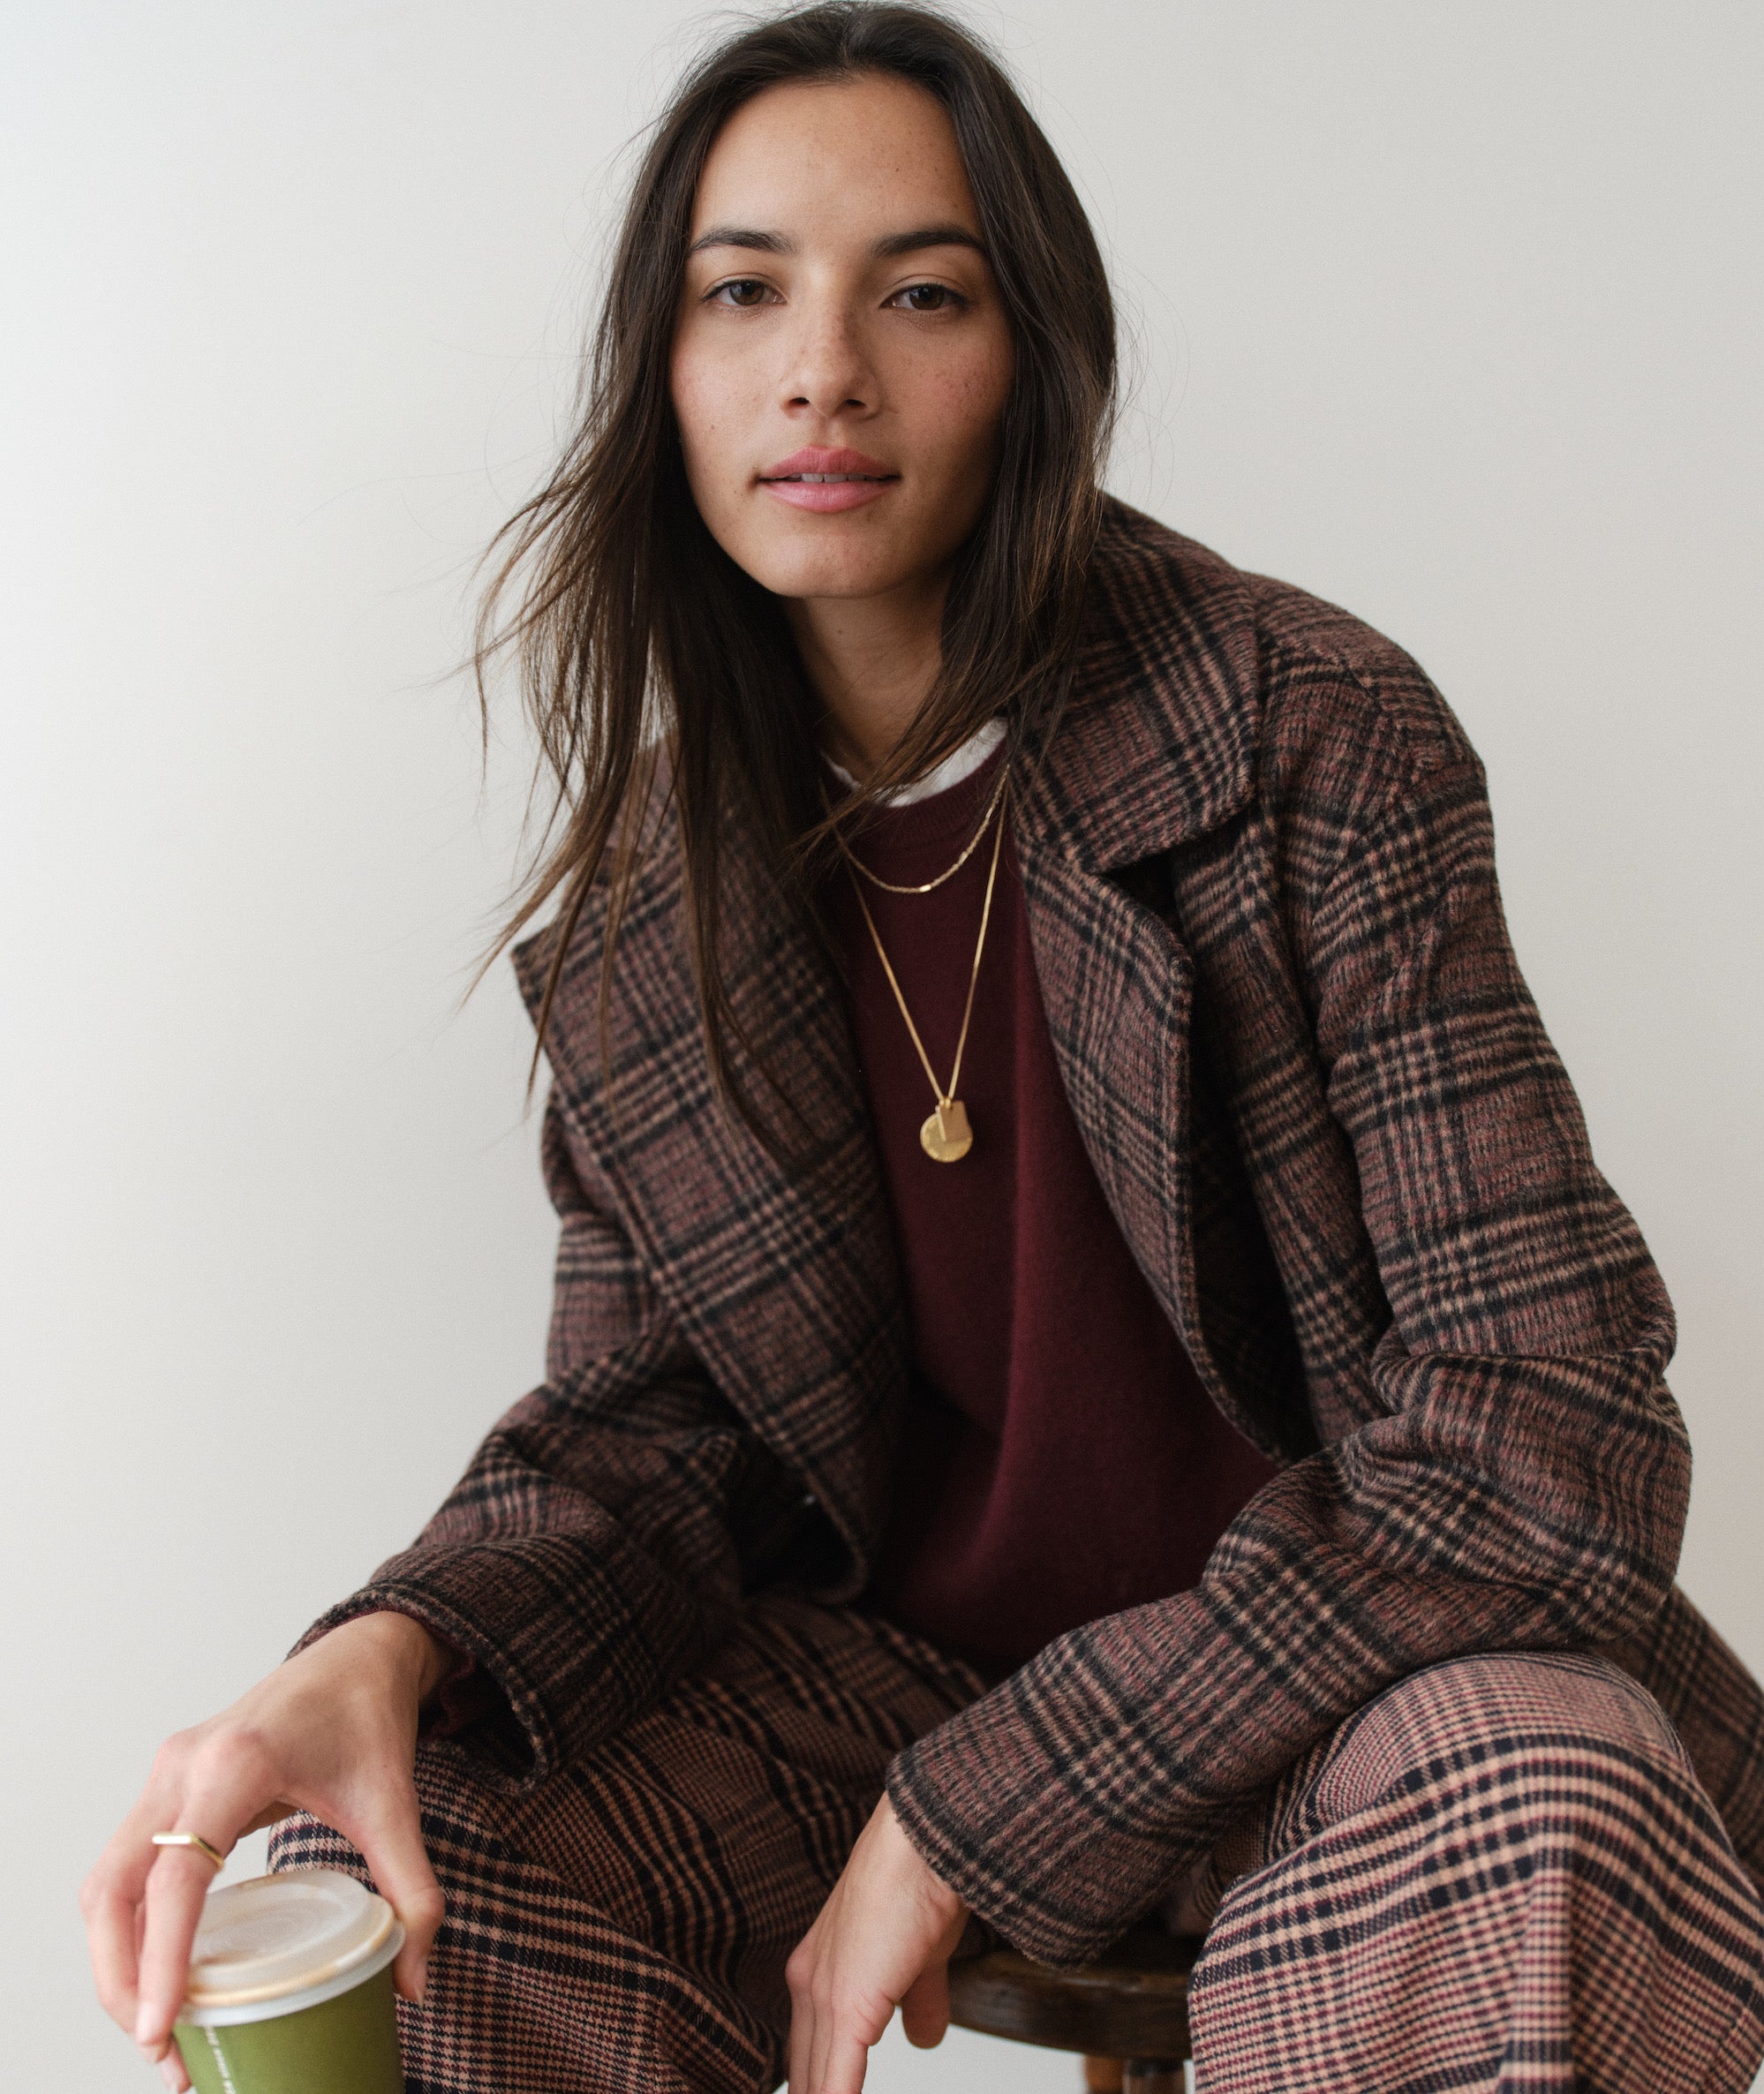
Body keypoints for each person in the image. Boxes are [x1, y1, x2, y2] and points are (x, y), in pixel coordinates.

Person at [81, 6, 1764, 2091]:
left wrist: (993, 1800)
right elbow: (651, 1441)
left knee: (1539, 1794)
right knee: (413, 1864)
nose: (822, 371)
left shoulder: (1310, 736)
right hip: (879, 1689)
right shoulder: (651, 908)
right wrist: (386, 1643)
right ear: (661, 373)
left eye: (923, 293)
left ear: (1035, 356)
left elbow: (1550, 1435)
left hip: (1344, 1681)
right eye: (742, 293)